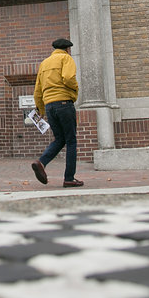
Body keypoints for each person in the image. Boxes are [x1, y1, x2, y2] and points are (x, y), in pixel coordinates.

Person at [31, 37, 83, 187]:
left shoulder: (44, 63)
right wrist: (75, 90)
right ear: (67, 49)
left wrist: (41, 109)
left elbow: (37, 91)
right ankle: (69, 178)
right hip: (64, 103)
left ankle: (41, 162)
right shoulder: (66, 59)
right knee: (71, 140)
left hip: (49, 106)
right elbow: (68, 78)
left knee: (60, 139)